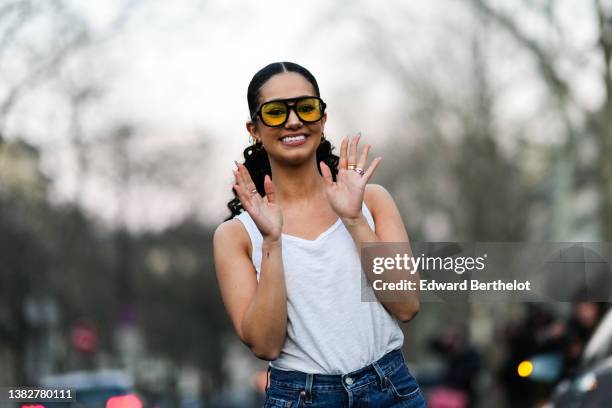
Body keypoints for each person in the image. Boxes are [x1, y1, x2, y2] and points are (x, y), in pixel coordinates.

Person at [213, 61, 426, 407]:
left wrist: (354, 219)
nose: (294, 121)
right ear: (254, 128)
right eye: (277, 112)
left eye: (306, 108)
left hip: (391, 391)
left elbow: (407, 305)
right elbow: (266, 344)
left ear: (322, 119)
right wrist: (272, 242)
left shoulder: (372, 200)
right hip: (301, 398)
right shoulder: (236, 236)